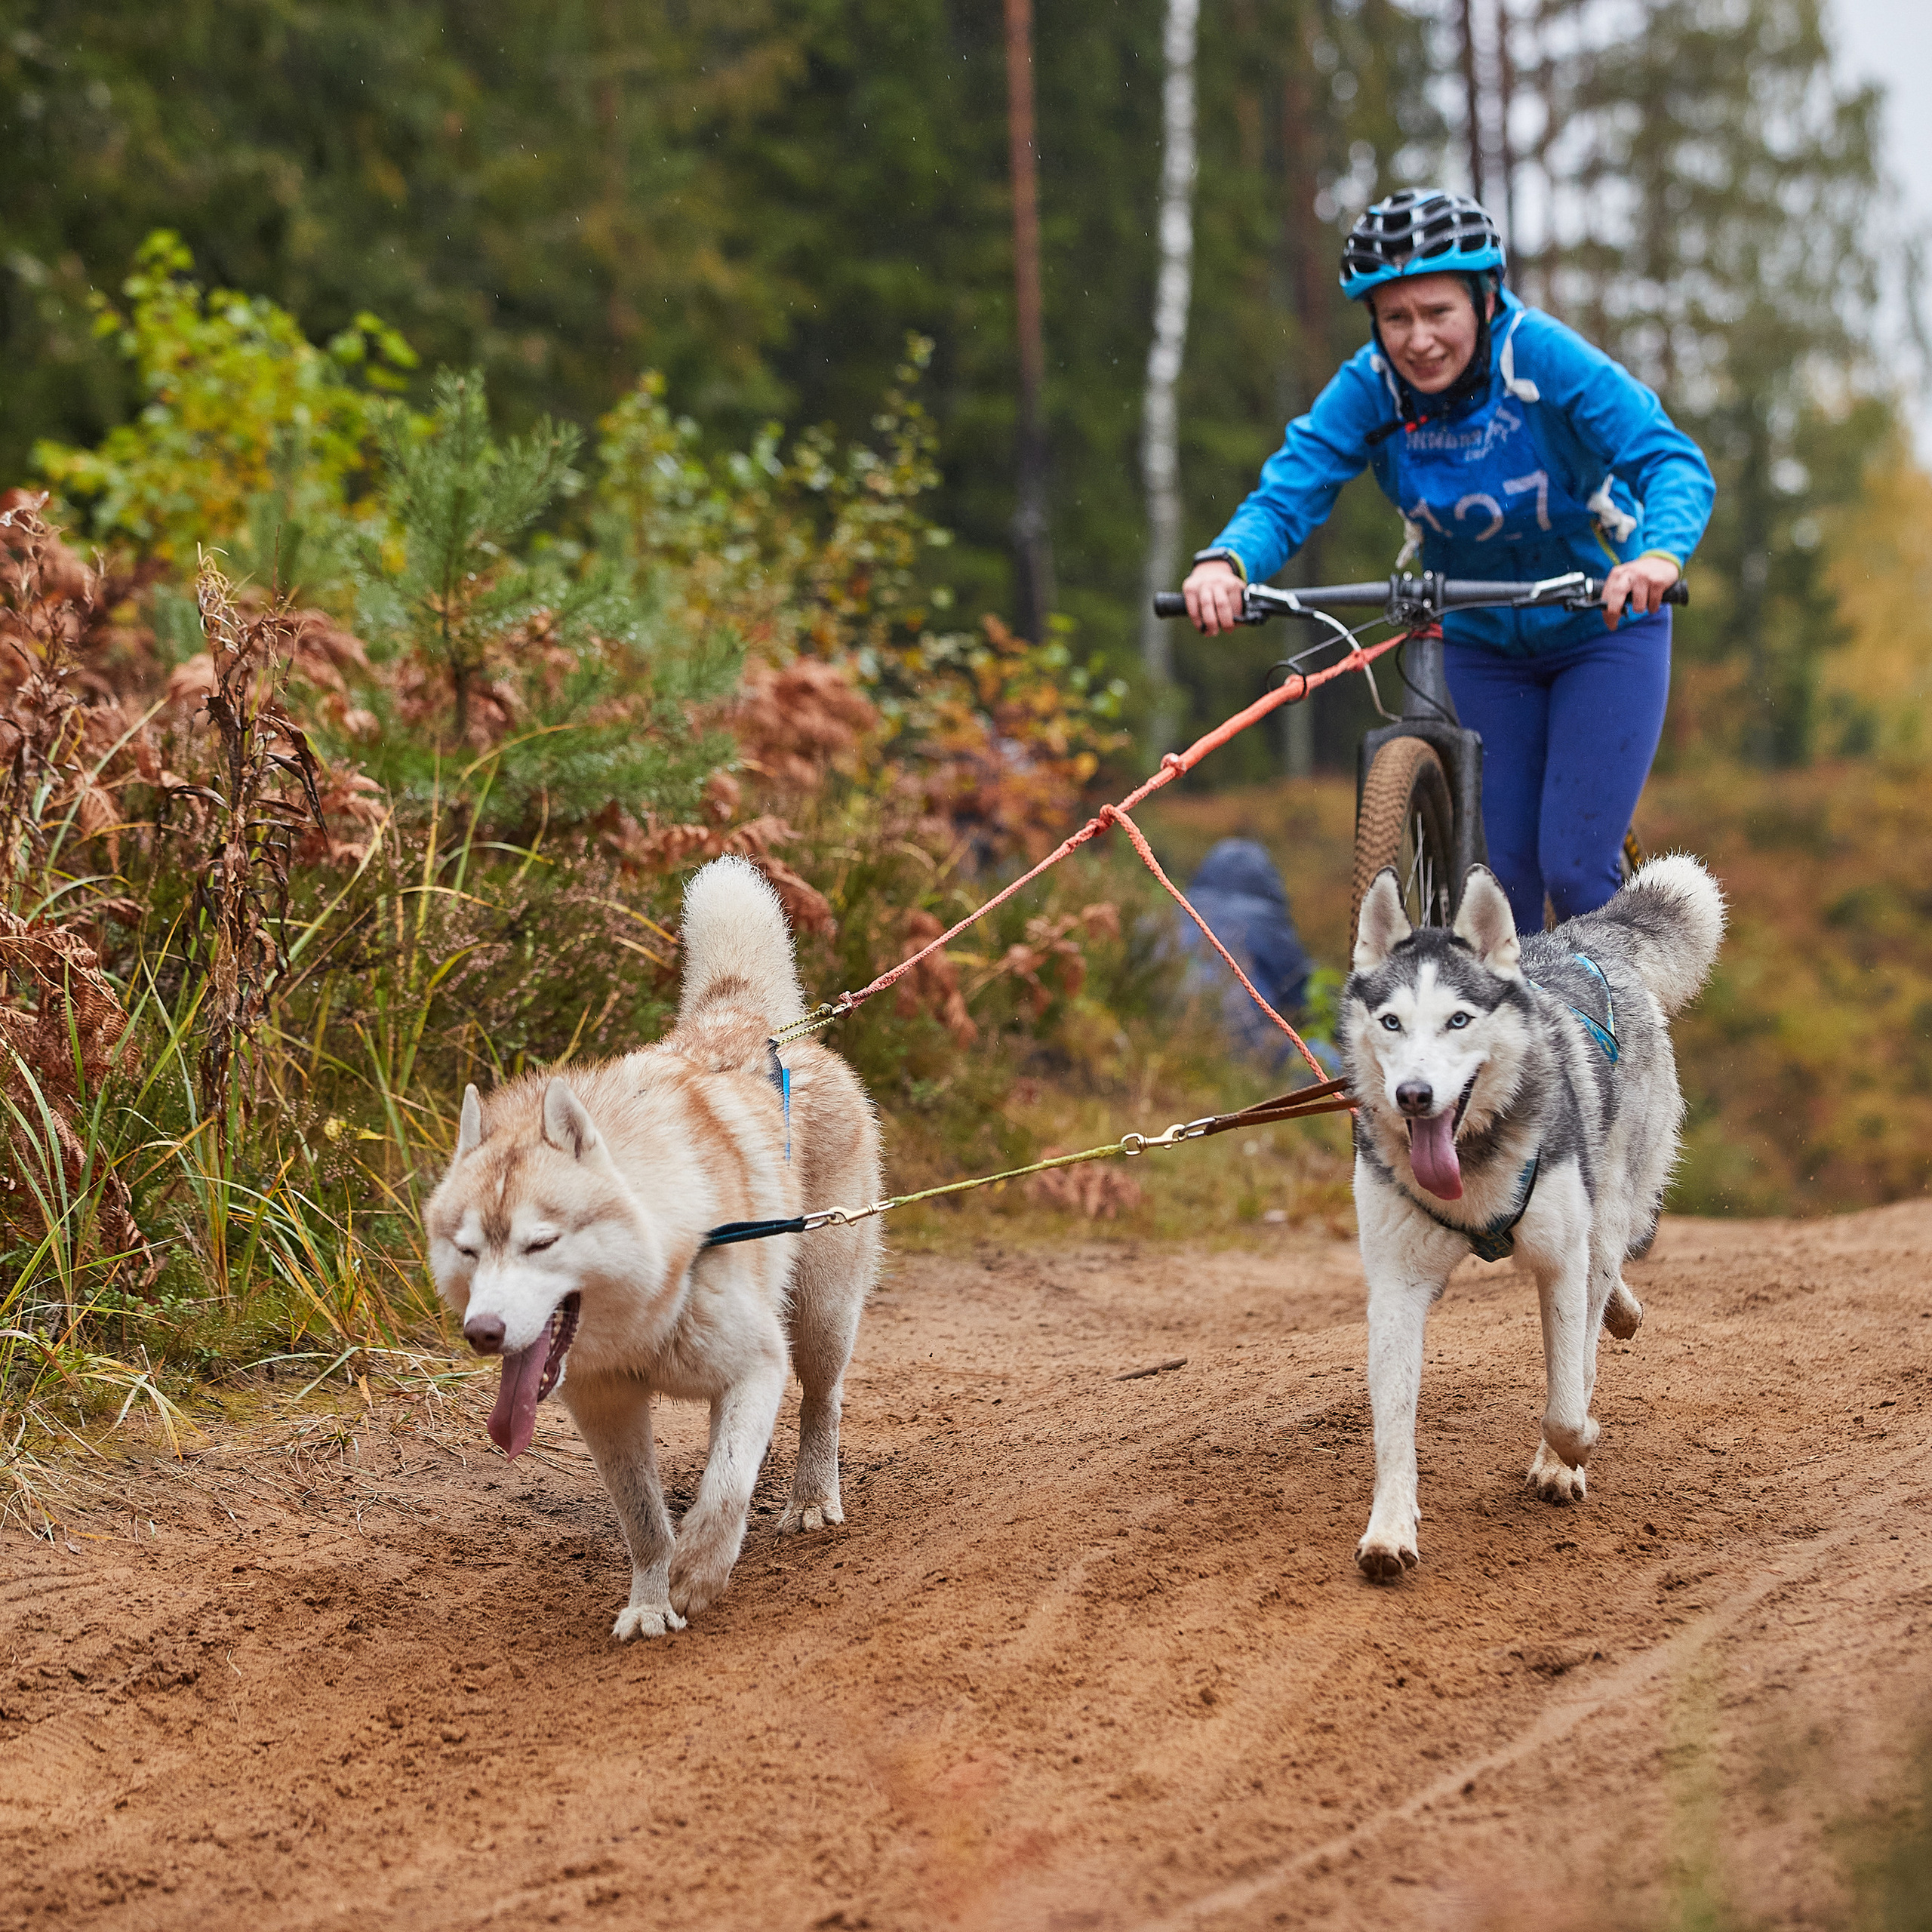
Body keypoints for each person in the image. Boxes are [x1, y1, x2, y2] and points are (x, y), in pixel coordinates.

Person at [1181, 190, 1715, 933]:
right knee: (1507, 888)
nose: (1418, 339)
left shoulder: (1540, 356)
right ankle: (1526, 1046)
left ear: (1484, 298)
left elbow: (1670, 460)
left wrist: (1657, 557)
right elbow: (1289, 490)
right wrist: (1227, 563)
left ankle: (1615, 1040)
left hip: (1603, 626)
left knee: (1572, 866)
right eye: (1395, 318)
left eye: (1438, 313)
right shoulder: (1370, 388)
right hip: (1484, 642)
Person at [1173, 838, 1316, 1070]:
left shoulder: (1175, 911)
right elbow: (1303, 992)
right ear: (1267, 880)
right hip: (1244, 1042)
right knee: (1327, 1062)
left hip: (1164, 1030)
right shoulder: (1268, 923)